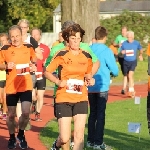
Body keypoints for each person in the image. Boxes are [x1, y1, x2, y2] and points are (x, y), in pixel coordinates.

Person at [45, 20, 100, 149]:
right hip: (63, 97)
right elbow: (47, 72)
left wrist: (90, 79)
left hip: (81, 97)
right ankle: (57, 144)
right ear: (67, 39)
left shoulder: (86, 55)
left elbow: (88, 75)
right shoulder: (61, 53)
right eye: (73, 38)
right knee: (65, 138)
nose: (76, 41)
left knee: (79, 136)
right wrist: (58, 81)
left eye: (78, 38)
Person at [0, 25, 37, 149]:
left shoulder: (29, 47)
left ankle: (21, 134)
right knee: (11, 115)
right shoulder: (5, 49)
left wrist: (33, 66)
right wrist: (5, 66)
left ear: (21, 35)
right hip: (11, 87)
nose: (15, 39)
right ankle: (11, 137)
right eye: (12, 37)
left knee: (26, 113)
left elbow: (34, 61)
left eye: (17, 36)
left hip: (26, 85)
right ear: (9, 38)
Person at [87, 26, 118, 150]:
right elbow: (115, 70)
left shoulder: (89, 49)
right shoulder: (106, 50)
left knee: (92, 113)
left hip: (90, 86)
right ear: (105, 37)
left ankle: (90, 140)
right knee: (100, 114)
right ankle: (98, 143)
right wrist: (113, 73)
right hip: (102, 86)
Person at [17, 19, 43, 130]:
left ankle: (25, 117)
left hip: (28, 73)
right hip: (15, 73)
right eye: (21, 27)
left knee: (26, 97)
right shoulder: (13, 38)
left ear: (28, 28)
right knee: (17, 98)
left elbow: (40, 55)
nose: (22, 30)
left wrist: (33, 60)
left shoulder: (31, 40)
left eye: (24, 27)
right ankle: (20, 122)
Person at [30, 27, 50, 121]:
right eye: (32, 34)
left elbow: (47, 61)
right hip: (31, 74)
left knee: (40, 96)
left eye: (36, 34)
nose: (34, 36)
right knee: (33, 96)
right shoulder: (27, 46)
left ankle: (38, 113)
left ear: (40, 36)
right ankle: (33, 103)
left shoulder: (45, 48)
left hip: (41, 74)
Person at [120, 31, 143, 98]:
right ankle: (131, 88)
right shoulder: (124, 43)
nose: (129, 39)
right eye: (127, 37)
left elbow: (141, 49)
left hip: (133, 61)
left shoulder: (136, 43)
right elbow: (121, 51)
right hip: (126, 61)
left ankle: (131, 91)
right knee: (127, 76)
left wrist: (140, 55)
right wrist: (122, 52)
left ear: (133, 37)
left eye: (130, 37)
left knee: (130, 75)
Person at [113, 26, 128, 94]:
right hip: (120, 56)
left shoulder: (128, 37)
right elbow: (114, 44)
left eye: (124, 31)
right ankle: (128, 84)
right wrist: (118, 44)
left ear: (126, 31)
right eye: (122, 31)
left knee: (126, 73)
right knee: (124, 72)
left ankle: (124, 88)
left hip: (127, 56)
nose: (123, 32)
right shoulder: (119, 37)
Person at [0, 33, 9, 120]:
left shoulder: (10, 50)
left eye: (4, 40)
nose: (2, 42)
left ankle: (5, 112)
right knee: (1, 98)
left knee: (5, 96)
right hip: (0, 76)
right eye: (1, 41)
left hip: (7, 76)